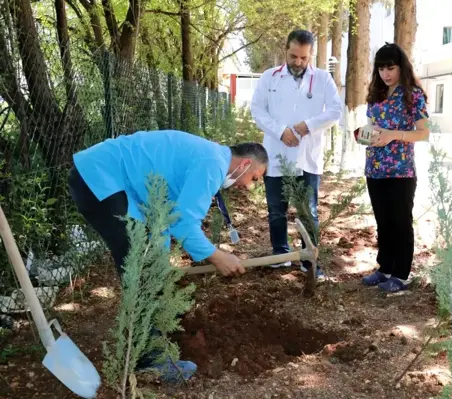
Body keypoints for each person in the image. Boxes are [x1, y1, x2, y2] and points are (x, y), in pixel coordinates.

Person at [67, 130, 268, 380]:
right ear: (246, 163)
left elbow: (163, 216)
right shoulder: (212, 164)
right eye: (254, 177)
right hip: (100, 177)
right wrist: (216, 256)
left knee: (149, 265)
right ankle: (148, 363)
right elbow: (184, 223)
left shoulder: (210, 157)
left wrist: (160, 263)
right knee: (140, 270)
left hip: (113, 181)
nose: (248, 185)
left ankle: (156, 328)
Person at [250, 29, 342, 278]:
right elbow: (257, 110)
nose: (298, 62)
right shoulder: (270, 77)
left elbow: (335, 111)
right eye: (293, 56)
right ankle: (281, 254)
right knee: (276, 209)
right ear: (285, 51)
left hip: (307, 157)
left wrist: (306, 126)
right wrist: (281, 131)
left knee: (308, 211)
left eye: (304, 58)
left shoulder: (322, 79)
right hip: (276, 153)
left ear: (311, 55)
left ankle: (309, 260)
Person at [357, 43, 430, 293]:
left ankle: (402, 274)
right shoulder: (376, 95)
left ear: (401, 67)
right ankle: (385, 268)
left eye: (390, 67)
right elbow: (372, 128)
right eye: (380, 69)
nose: (385, 74)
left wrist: (392, 135)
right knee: (383, 222)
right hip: (375, 169)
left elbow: (423, 133)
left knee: (400, 222)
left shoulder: (413, 95)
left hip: (401, 171)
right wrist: (363, 135)